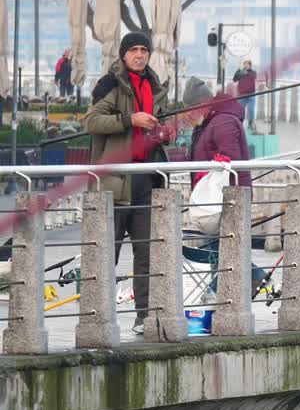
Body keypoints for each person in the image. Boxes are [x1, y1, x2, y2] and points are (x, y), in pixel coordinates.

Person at [84, 32, 174, 335]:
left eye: (144, 50)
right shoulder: (110, 84)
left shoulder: (155, 84)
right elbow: (92, 121)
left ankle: (143, 317)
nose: (140, 55)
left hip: (147, 178)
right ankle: (100, 318)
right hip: (114, 181)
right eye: (134, 50)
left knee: (146, 253)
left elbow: (158, 124)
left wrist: (165, 132)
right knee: (108, 252)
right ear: (123, 54)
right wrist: (129, 120)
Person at [189, 91, 253, 190]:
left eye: (191, 111)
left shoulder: (223, 121)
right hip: (218, 193)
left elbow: (230, 159)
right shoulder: (213, 122)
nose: (189, 116)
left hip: (225, 195)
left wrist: (204, 176)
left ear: (202, 106)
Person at [232, 60, 257, 132]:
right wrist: (238, 71)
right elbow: (234, 79)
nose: (245, 66)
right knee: (240, 110)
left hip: (251, 94)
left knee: (251, 109)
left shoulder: (253, 72)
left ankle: (250, 123)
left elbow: (253, 76)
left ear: (250, 65)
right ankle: (239, 123)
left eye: (247, 64)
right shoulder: (240, 72)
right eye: (244, 64)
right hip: (242, 94)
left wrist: (245, 73)